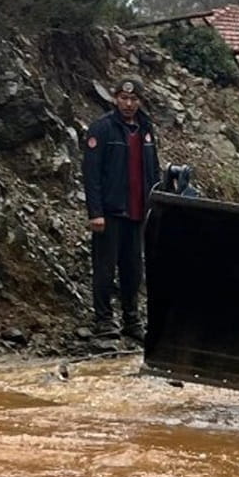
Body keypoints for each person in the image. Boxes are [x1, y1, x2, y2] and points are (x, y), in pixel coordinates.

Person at [82, 76, 161, 342]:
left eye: (133, 99)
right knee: (105, 268)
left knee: (133, 270)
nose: (128, 104)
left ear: (140, 101)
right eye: (124, 98)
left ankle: (131, 319)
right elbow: (91, 174)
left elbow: (153, 170)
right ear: (115, 99)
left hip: (137, 212)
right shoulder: (102, 128)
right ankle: (104, 320)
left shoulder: (146, 129)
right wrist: (95, 212)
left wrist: (154, 206)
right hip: (111, 211)